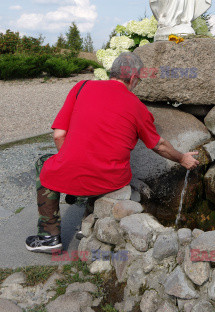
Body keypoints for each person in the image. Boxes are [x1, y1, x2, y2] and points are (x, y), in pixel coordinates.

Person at [25, 52, 199, 253]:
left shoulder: (81, 87)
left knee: (44, 163)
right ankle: (87, 226)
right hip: (111, 181)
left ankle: (49, 237)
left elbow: (58, 135)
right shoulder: (137, 106)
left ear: (112, 72)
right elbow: (159, 145)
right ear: (133, 78)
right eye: (139, 80)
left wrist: (69, 163)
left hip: (75, 172)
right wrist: (182, 158)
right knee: (102, 167)